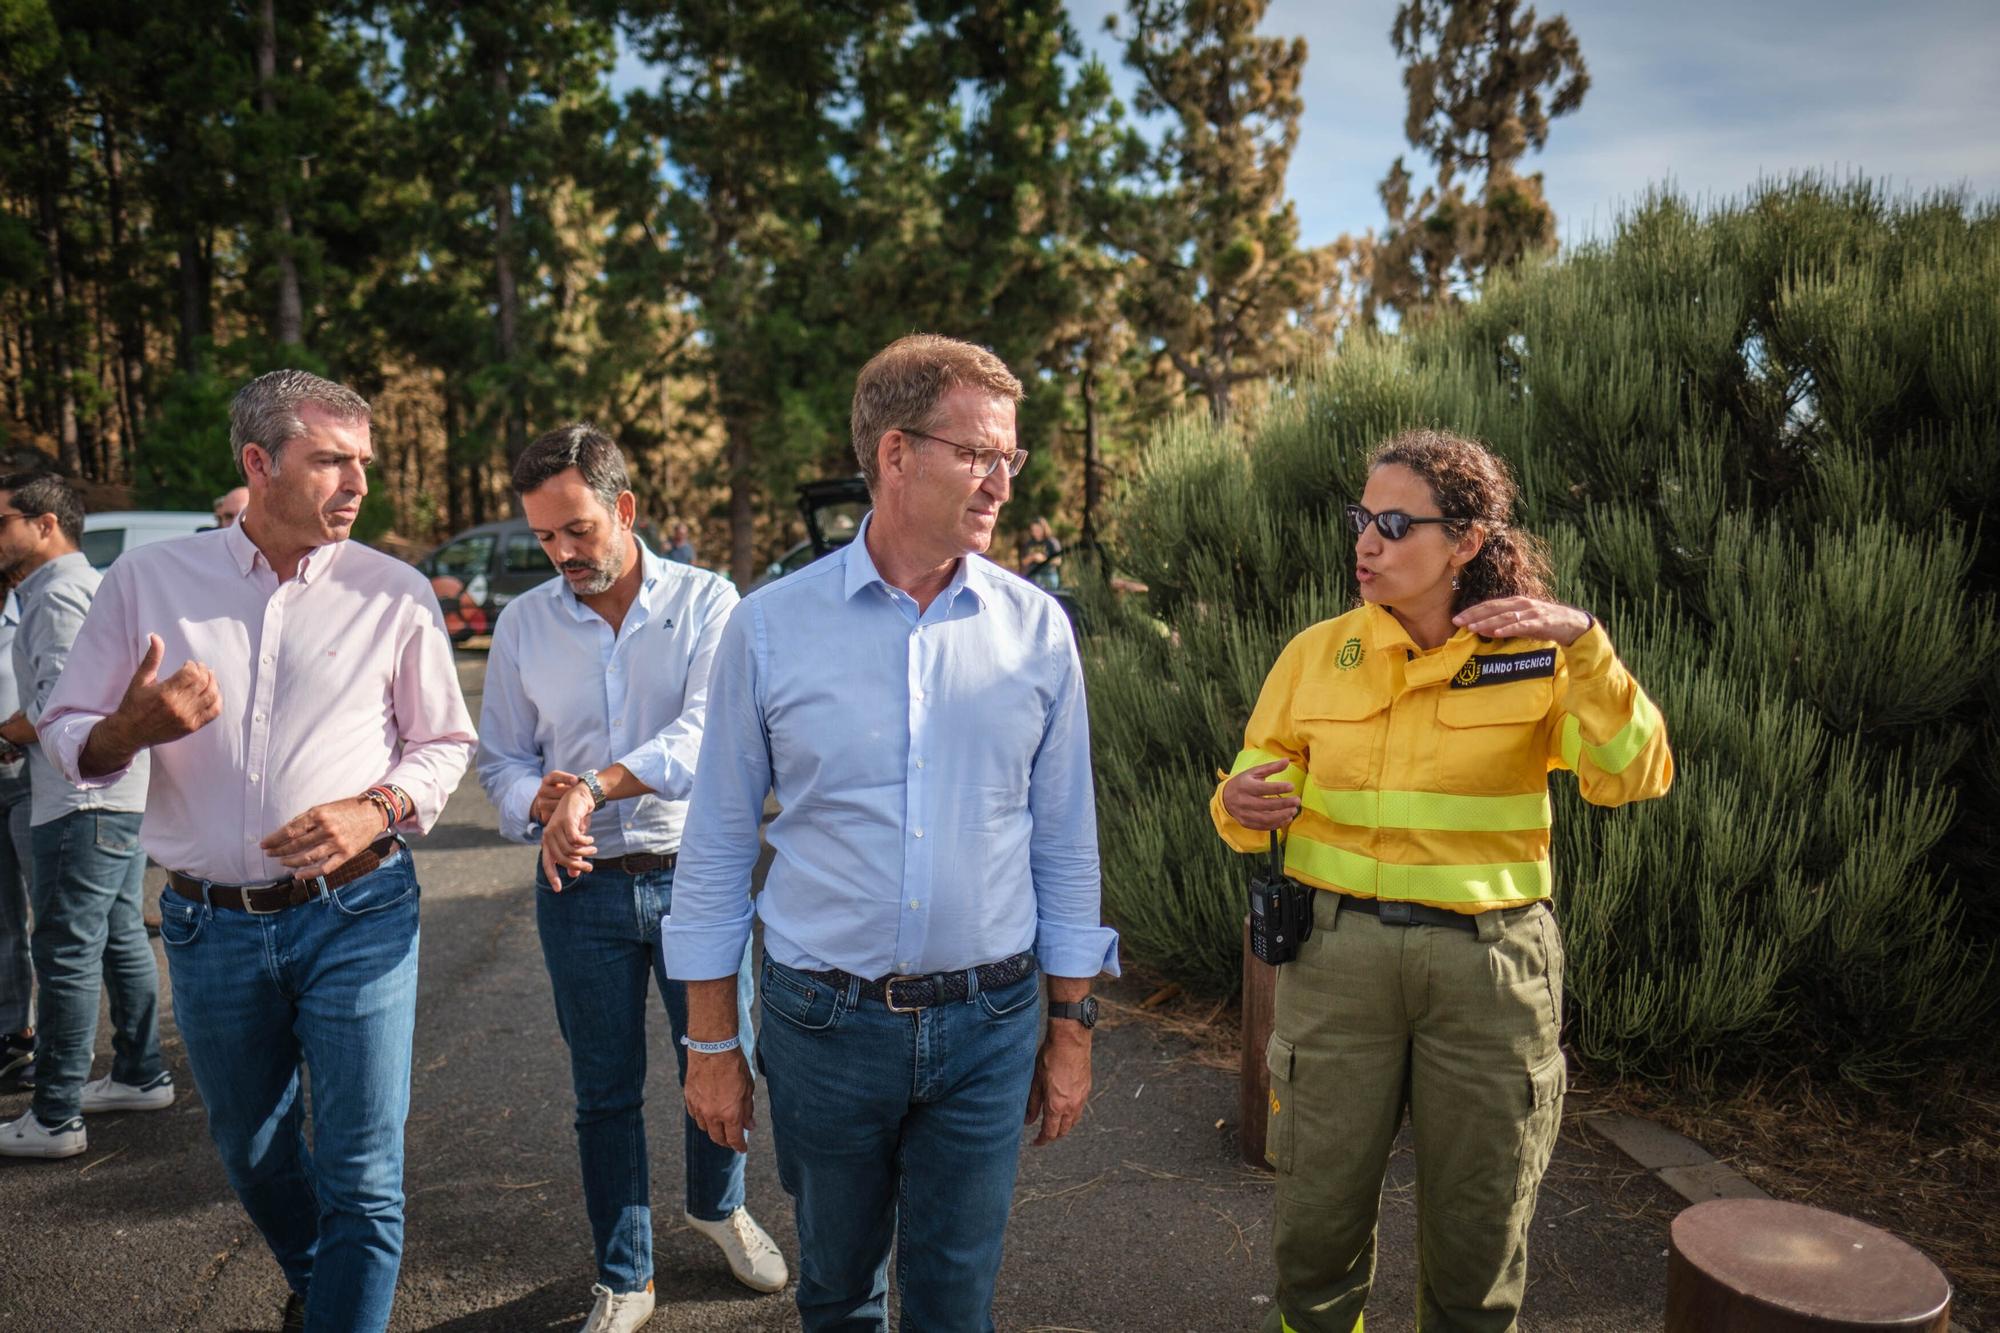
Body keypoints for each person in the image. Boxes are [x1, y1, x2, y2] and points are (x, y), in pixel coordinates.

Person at [665, 334, 1118, 1332]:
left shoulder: (1036, 628)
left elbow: (1065, 843)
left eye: (1011, 459)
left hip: (990, 1025)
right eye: (978, 455)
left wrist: (1070, 1025)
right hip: (823, 1027)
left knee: (955, 1302)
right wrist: (710, 1042)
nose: (1000, 480)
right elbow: (714, 850)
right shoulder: (769, 627)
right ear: (894, 454)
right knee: (834, 1289)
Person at [38, 369, 476, 1333]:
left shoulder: (394, 592)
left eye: (364, 461)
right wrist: (130, 728)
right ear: (258, 462)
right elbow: (68, 730)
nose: (357, 482)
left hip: (361, 911)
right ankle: (326, 1293)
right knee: (251, 1147)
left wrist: (377, 808)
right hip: (208, 922)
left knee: (364, 1171)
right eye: (331, 460)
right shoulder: (149, 582)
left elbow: (444, 743)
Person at [1213, 428, 1674, 1333]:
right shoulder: (1316, 653)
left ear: (1465, 542)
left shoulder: (1537, 655)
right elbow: (1247, 790)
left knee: (1481, 1225)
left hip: (1491, 972)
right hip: (1337, 962)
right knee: (1317, 1216)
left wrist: (1587, 646)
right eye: (1362, 518)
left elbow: (1634, 773)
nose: (1366, 542)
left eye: (1393, 522)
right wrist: (1235, 803)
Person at [476, 424, 785, 1333]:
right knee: (602, 1089)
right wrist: (547, 805)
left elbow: (707, 736)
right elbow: (495, 760)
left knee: (722, 1054)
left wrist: (591, 786)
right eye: (544, 538)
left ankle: (718, 1204)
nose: (562, 554)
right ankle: (626, 1273)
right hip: (580, 889)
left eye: (575, 529)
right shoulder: (524, 623)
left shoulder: (708, 602)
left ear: (625, 508)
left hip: (699, 874)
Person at [0, 473, 169, 1160]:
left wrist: (4, 731)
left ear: (45, 524)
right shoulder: (66, 588)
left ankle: (56, 1115)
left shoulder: (61, 592)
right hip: (105, 796)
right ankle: (139, 1071)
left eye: (1, 519)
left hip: (82, 797)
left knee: (64, 949)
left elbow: (58, 706)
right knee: (118, 931)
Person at [0, 572, 35, 1086]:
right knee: (5, 916)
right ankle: (16, 1035)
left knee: (48, 916)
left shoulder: (32, 611)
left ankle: (54, 1043)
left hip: (29, 774)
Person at [1020, 515, 1062, 590]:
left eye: (1038, 529)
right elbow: (1023, 562)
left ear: (1044, 529)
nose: (1035, 532)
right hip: (1033, 576)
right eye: (1033, 530)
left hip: (1049, 576)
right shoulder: (1029, 544)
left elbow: (1058, 561)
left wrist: (1044, 559)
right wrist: (1032, 557)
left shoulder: (1052, 542)